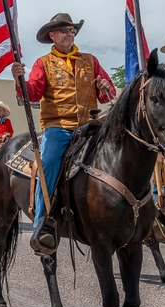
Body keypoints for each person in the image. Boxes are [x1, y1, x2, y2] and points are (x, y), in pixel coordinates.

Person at [11, 13, 116, 255]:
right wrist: (19, 78)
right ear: (53, 35)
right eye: (65, 30)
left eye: (72, 30)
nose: (70, 34)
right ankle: (42, 222)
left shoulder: (90, 60)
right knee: (47, 162)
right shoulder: (43, 63)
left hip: (90, 124)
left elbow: (108, 96)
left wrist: (105, 87)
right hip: (58, 126)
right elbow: (33, 94)